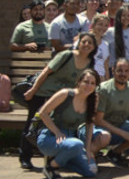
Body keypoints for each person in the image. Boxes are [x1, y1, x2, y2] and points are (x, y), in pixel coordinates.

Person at [21, 32, 97, 171]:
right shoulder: (66, 55)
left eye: (90, 43)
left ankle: (56, 156)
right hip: (45, 93)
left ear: (94, 47)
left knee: (57, 123)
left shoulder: (90, 62)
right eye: (84, 41)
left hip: (64, 97)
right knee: (33, 124)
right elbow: (45, 72)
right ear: (78, 43)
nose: (86, 45)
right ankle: (25, 156)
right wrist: (33, 90)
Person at [35, 69, 110, 178]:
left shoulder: (93, 99)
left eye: (92, 83)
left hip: (71, 142)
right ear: (79, 82)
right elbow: (42, 113)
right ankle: (51, 167)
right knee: (77, 144)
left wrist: (88, 150)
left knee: (91, 171)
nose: (89, 86)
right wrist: (57, 132)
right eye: (86, 82)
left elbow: (90, 124)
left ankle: (61, 160)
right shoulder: (65, 94)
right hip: (50, 138)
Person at [93, 58, 129, 166]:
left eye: (126, 71)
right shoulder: (104, 89)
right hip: (102, 129)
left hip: (120, 126)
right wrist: (124, 134)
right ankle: (92, 154)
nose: (123, 74)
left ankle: (115, 152)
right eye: (120, 70)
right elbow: (98, 120)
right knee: (104, 137)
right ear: (113, 70)